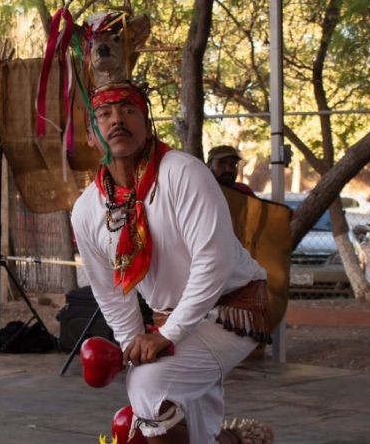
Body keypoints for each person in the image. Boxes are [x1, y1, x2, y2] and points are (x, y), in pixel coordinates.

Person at [71, 82, 272, 444]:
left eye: (129, 110)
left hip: (234, 308)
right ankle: (240, 440)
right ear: (90, 135)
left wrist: (166, 335)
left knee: (148, 387)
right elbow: (111, 292)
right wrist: (135, 344)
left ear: (146, 125)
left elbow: (215, 262)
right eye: (104, 114)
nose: (117, 120)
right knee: (188, 420)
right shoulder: (87, 210)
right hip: (169, 320)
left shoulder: (183, 172)